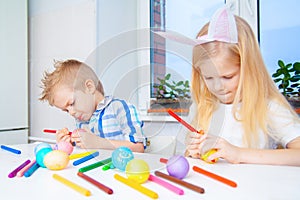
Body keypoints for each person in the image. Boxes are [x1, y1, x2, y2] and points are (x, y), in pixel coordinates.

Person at [184, 6, 300, 166]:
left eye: (228, 76)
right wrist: (193, 153)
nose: (218, 87)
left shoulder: (268, 106)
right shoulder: (202, 107)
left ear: (249, 69)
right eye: (208, 77)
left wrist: (239, 154)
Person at [39, 59, 147, 153]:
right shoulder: (83, 119)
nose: (71, 112)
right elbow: (87, 148)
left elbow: (138, 147)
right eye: (66, 110)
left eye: (72, 103)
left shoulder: (119, 108)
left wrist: (98, 142)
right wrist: (68, 143)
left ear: (89, 87)